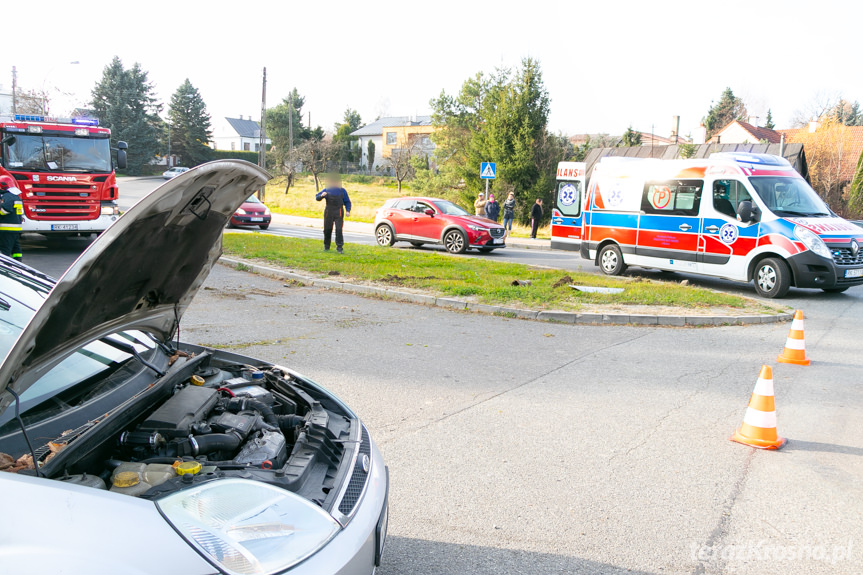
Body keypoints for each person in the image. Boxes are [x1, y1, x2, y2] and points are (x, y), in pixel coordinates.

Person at [315, 174, 352, 253]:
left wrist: (348, 210)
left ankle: (339, 248)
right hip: (329, 212)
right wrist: (321, 196)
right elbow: (317, 197)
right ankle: (326, 247)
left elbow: (347, 202)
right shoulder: (326, 190)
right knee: (327, 230)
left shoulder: (342, 191)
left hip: (338, 212)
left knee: (339, 230)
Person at [0, 176, 23, 261]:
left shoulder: (7, 196)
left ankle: (4, 267)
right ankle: (18, 263)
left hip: (7, 229)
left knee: (5, 249)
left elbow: (4, 211)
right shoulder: (16, 196)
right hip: (16, 229)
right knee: (16, 248)